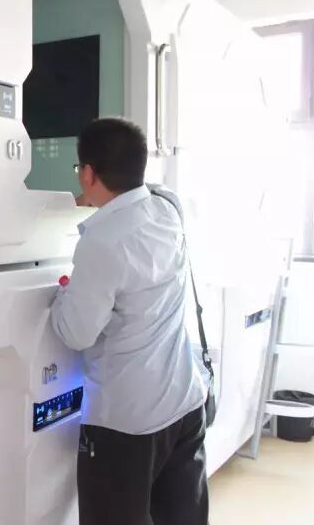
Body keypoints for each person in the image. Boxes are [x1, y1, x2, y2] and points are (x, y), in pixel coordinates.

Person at [50, 118, 209, 525]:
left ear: (88, 173)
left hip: (127, 424)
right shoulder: (168, 207)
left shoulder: (101, 242)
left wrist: (62, 295)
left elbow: (75, 333)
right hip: (185, 402)